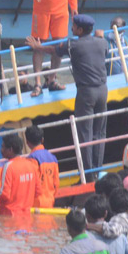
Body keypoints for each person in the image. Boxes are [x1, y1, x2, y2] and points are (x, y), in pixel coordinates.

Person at [28, 14, 109, 178]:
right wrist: (99, 36)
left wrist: (38, 47)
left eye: (73, 27)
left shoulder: (74, 44)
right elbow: (103, 47)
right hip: (103, 90)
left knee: (85, 133)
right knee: (99, 132)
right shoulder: (102, 42)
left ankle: (87, 174)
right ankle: (97, 169)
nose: (71, 29)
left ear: (79, 29)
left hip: (86, 93)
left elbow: (55, 50)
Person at [0, 133, 39, 216]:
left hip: (10, 215)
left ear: (10, 150)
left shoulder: (8, 167)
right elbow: (38, 191)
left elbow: (4, 194)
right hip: (27, 215)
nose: (1, 150)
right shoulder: (31, 165)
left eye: (3, 147)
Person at [25, 124, 59, 208]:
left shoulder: (31, 159)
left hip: (36, 203)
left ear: (27, 142)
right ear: (42, 140)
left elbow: (31, 183)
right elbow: (56, 183)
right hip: (50, 201)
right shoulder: (53, 158)